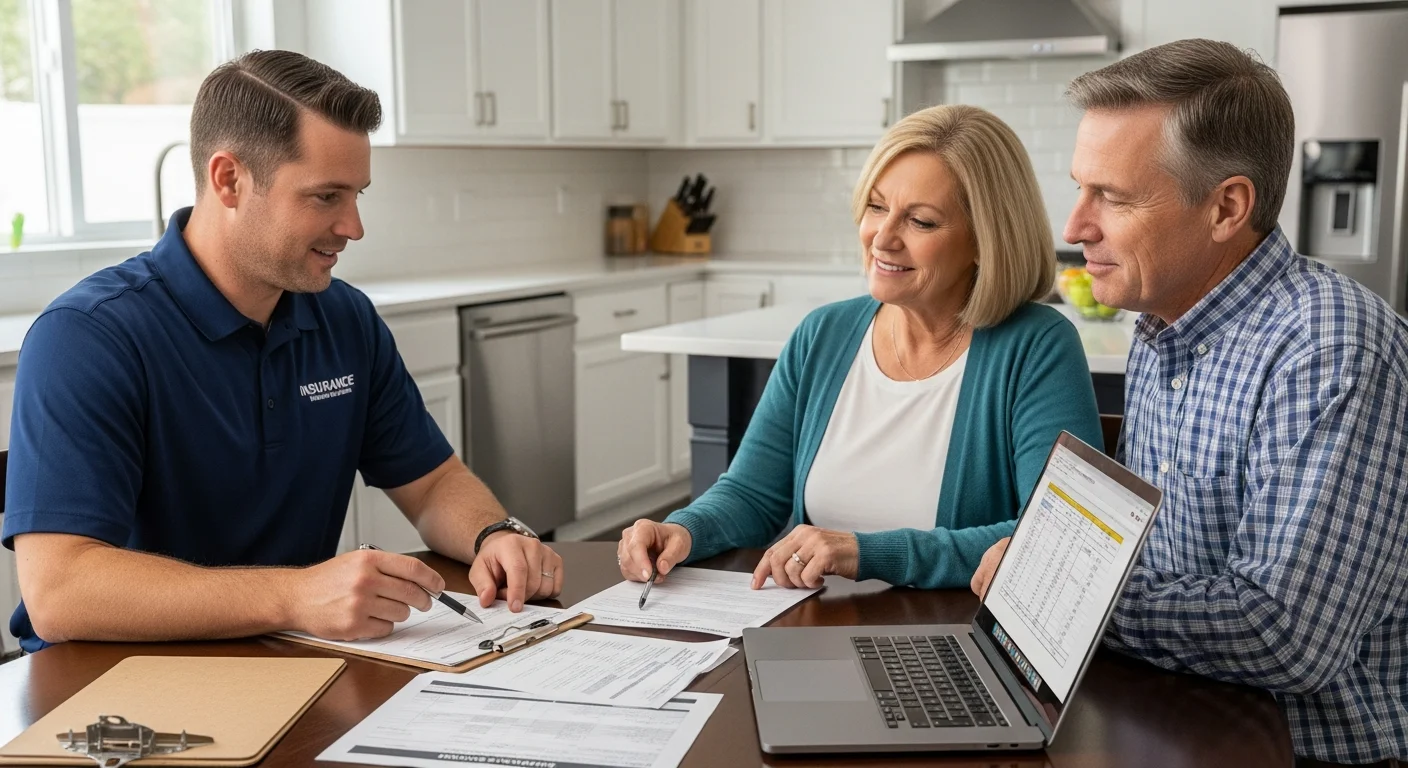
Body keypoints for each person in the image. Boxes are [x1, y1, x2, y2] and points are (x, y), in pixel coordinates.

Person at [1, 50, 564, 653]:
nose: (354, 226)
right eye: (326, 197)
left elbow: (431, 483)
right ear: (229, 180)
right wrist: (295, 596)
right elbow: (59, 592)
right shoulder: (87, 337)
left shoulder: (345, 319)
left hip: (292, 654)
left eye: (357, 195)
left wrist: (494, 533)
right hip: (115, 685)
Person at [970, 40, 1408, 767]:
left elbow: (1285, 638)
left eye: (1110, 196)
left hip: (1302, 754)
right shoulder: (1163, 321)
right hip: (1175, 718)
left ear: (1226, 207)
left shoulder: (1331, 347)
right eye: (1081, 189)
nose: (1075, 228)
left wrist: (1063, 597)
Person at [618, 104, 1102, 592]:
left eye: (922, 221)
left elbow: (1056, 539)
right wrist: (683, 528)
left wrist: (866, 553)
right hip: (814, 625)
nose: (882, 238)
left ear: (985, 239)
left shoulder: (1038, 347)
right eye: (876, 206)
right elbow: (751, 494)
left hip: (948, 641)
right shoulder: (822, 335)